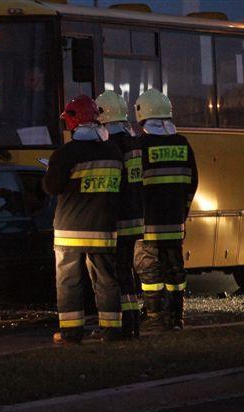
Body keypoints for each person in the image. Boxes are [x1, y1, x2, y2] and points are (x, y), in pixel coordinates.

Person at [44, 94, 123, 344]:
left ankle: (70, 333)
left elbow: (51, 188)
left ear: (74, 120)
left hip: (70, 230)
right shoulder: (113, 151)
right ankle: (111, 330)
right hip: (103, 228)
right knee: (106, 281)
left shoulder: (66, 153)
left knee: (69, 282)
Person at [133, 89, 198, 331]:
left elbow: (135, 183)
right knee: (175, 271)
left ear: (142, 116)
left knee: (149, 271)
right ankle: (176, 318)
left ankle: (154, 317)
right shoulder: (182, 143)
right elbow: (193, 182)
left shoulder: (140, 146)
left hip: (147, 224)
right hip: (175, 223)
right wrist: (183, 211)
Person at [96, 90, 142, 339]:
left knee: (118, 272)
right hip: (135, 216)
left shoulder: (111, 145)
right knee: (127, 271)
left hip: (118, 218)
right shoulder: (133, 141)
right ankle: (133, 322)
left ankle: (125, 325)